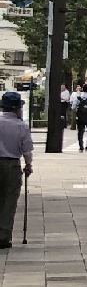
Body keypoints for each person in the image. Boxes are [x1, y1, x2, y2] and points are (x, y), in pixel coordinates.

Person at [0, 90, 33, 249]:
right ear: (17, 109)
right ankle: (3, 236)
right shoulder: (21, 126)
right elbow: (27, 151)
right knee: (9, 200)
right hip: (12, 165)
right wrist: (28, 165)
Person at [72, 84, 87, 152]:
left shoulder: (78, 97)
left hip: (80, 117)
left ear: (82, 89)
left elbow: (73, 107)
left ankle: (81, 147)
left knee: (80, 132)